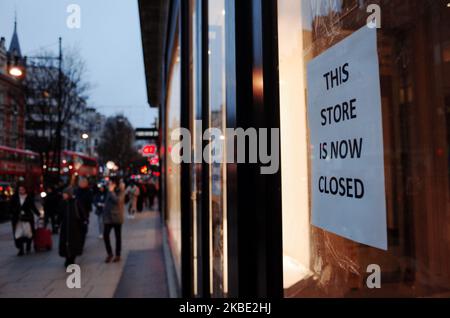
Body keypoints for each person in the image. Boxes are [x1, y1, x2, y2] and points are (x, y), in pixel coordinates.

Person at [10, 184, 40, 256]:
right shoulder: (14, 197)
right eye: (20, 189)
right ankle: (21, 249)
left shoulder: (29, 198)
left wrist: (38, 214)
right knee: (18, 234)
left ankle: (28, 245)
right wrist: (14, 212)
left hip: (27, 219)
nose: (21, 191)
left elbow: (33, 207)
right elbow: (10, 207)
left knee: (29, 234)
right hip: (18, 220)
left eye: (22, 189)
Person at [59, 187, 83, 267]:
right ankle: (67, 258)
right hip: (65, 227)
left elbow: (81, 213)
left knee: (74, 243)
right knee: (65, 242)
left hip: (74, 227)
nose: (63, 195)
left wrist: (83, 223)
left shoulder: (75, 202)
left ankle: (72, 259)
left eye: (65, 194)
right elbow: (60, 214)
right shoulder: (63, 203)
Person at [103, 179, 126, 263]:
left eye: (111, 183)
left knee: (118, 236)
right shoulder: (108, 191)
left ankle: (118, 254)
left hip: (117, 217)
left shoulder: (121, 191)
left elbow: (118, 201)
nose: (109, 185)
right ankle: (109, 253)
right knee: (105, 235)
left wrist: (111, 192)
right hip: (108, 218)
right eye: (109, 184)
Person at [75, 177, 93, 251]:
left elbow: (89, 202)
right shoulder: (76, 191)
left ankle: (80, 245)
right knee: (77, 230)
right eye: (81, 182)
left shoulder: (88, 191)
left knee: (83, 230)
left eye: (83, 183)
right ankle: (77, 244)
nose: (82, 184)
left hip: (85, 213)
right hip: (76, 213)